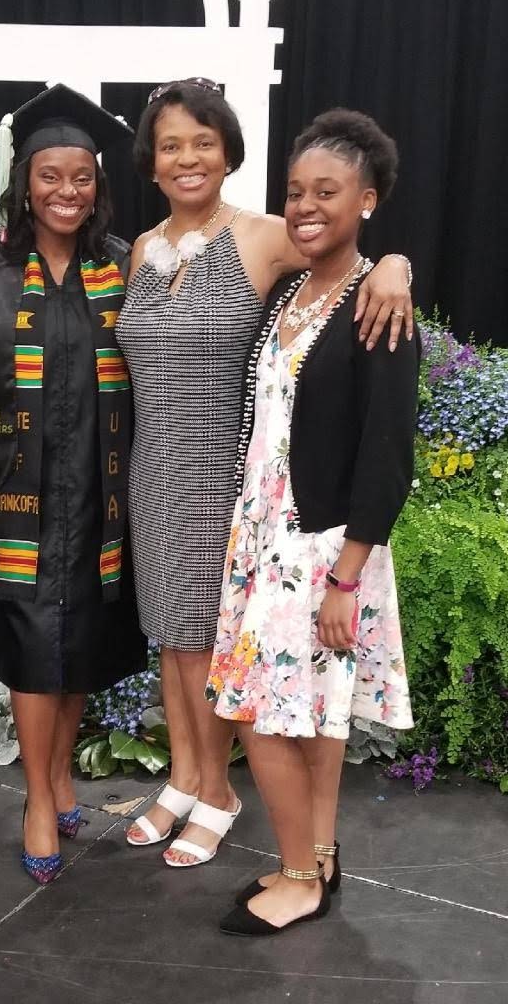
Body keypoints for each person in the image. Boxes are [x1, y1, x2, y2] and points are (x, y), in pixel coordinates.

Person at [116, 79, 414, 868]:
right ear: (151, 160)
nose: (188, 157)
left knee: (208, 637)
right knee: (170, 635)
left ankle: (217, 787)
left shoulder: (265, 233)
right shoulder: (142, 250)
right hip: (154, 469)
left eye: (203, 141)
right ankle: (184, 775)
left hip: (229, 473)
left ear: (228, 153)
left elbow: (343, 242)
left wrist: (397, 264)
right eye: (172, 143)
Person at [207, 108, 417, 935]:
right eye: (295, 190)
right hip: (262, 536)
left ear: (366, 200)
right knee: (310, 715)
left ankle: (296, 878)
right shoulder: (292, 290)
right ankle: (318, 855)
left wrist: (346, 575)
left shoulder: (379, 303)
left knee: (258, 715)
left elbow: (388, 453)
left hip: (321, 548)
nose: (304, 206)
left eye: (327, 191)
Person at [0, 85, 146, 884]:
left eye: (81, 177)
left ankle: (61, 772)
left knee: (81, 648)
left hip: (103, 495)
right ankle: (37, 798)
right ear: (23, 182)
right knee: (39, 650)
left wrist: (390, 260)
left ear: (98, 185)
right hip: (20, 496)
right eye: (49, 176)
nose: (66, 191)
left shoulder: (126, 263)